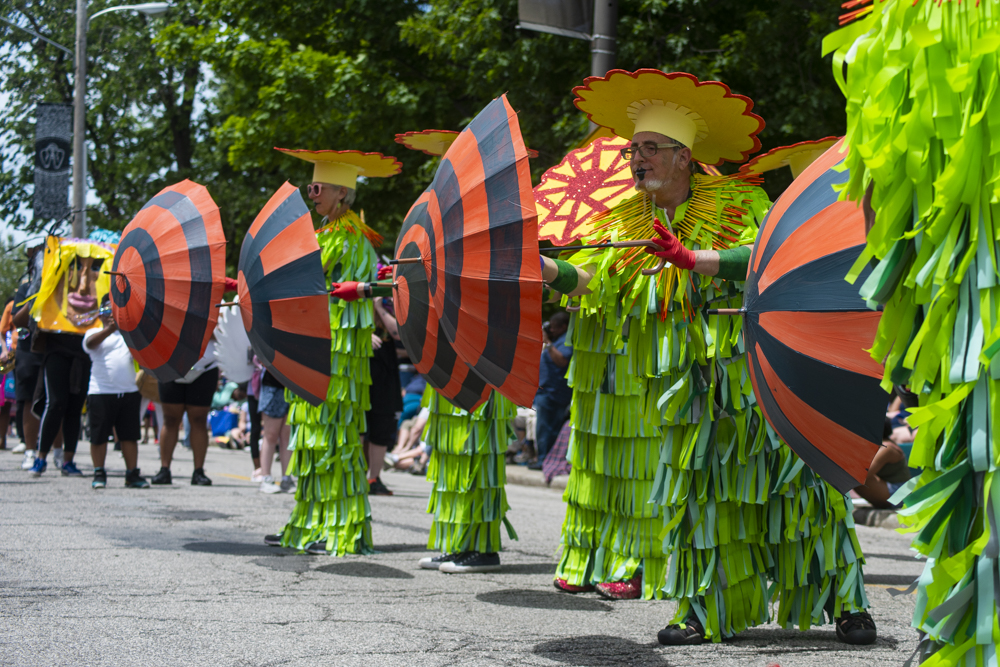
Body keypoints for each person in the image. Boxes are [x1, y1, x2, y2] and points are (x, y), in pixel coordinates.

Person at [542, 69, 874, 645]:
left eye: (650, 148)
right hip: (681, 386)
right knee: (697, 496)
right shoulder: (619, 220)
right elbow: (593, 279)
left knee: (800, 489)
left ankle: (848, 603)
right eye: (632, 150)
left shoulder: (738, 199)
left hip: (755, 374)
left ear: (684, 157)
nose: (636, 159)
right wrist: (544, 268)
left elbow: (768, 255)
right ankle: (701, 609)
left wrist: (693, 258)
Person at [827, 4, 999, 661]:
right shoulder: (898, 37)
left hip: (961, 300)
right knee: (973, 457)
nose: (639, 158)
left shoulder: (897, 35)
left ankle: (965, 624)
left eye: (651, 147)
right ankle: (965, 622)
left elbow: (880, 211)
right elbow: (881, 201)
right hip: (960, 305)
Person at [264, 147, 400, 555]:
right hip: (317, 348)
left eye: (318, 188)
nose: (312, 194)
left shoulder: (348, 236)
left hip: (336, 356)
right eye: (310, 188)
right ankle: (310, 524)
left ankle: (342, 529)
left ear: (342, 192)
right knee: (313, 442)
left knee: (335, 440)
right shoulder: (326, 234)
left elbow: (303, 275)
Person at [28, 237, 114, 477]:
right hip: (57, 347)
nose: (83, 284)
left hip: (84, 351)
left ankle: (68, 460)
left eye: (95, 267)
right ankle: (41, 458)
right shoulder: (51, 280)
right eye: (74, 266)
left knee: (76, 406)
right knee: (56, 402)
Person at [83, 299, 148, 489]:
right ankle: (99, 472)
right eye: (108, 310)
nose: (112, 313)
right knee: (98, 435)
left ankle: (132, 473)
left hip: (129, 391)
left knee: (129, 436)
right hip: (101, 392)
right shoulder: (93, 332)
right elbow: (90, 344)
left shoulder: (130, 335)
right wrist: (110, 329)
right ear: (101, 314)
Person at [150, 341, 219, 486]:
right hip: (170, 362)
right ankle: (164, 469)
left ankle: (198, 471)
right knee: (170, 419)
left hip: (205, 366)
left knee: (199, 419)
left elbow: (223, 333)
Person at [366, 297, 402, 496]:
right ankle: (356, 475)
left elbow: (398, 333)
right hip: (362, 371)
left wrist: (379, 307)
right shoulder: (356, 304)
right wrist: (364, 336)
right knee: (358, 426)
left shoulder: (391, 303)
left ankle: (374, 478)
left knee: (382, 427)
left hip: (385, 375)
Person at [529, 312, 572, 470]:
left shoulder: (566, 340)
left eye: (554, 327)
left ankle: (544, 460)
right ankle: (545, 459)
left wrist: (547, 342)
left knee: (546, 429)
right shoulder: (557, 340)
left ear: (564, 327)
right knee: (545, 428)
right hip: (547, 391)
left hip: (554, 393)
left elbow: (561, 360)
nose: (551, 330)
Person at [257, 370, 292, 494]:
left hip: (292, 385)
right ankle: (266, 478)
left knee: (287, 436)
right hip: (272, 385)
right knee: (270, 435)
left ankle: (287, 479)